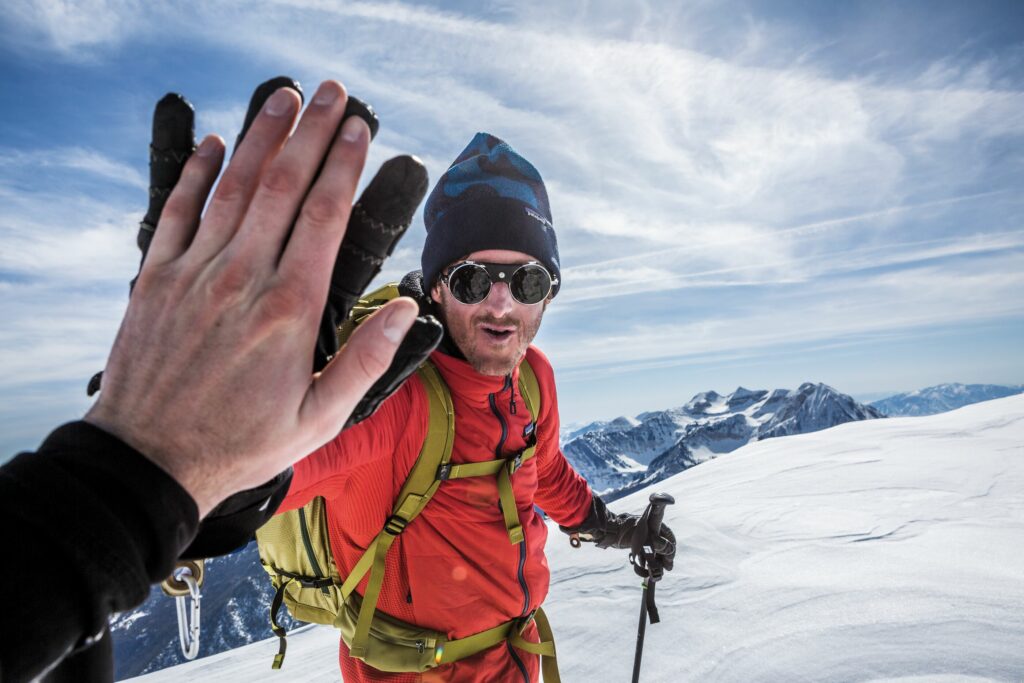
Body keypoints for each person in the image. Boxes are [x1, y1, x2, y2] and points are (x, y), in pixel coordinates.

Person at [0, 79, 420, 683]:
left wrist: (151, 473)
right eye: (474, 280)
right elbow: (318, 479)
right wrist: (159, 473)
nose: (501, 305)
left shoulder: (528, 387)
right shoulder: (414, 412)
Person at [277, 133, 676, 682]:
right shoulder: (390, 397)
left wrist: (612, 527)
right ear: (437, 288)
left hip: (518, 659)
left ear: (549, 292)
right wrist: (239, 418)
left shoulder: (533, 377)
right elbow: (259, 476)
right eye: (471, 279)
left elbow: (545, 470)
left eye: (528, 280)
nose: (501, 303)